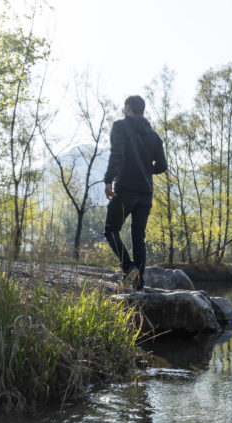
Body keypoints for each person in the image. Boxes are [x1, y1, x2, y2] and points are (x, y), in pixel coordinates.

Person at [103, 94, 167, 291]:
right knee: (139, 237)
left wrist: (108, 180)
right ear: (143, 112)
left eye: (124, 108)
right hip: (145, 193)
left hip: (125, 189)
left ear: (128, 108)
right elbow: (162, 166)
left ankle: (128, 267)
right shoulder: (154, 136)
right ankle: (139, 284)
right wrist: (146, 169)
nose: (123, 111)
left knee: (110, 231)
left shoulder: (120, 126)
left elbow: (117, 154)